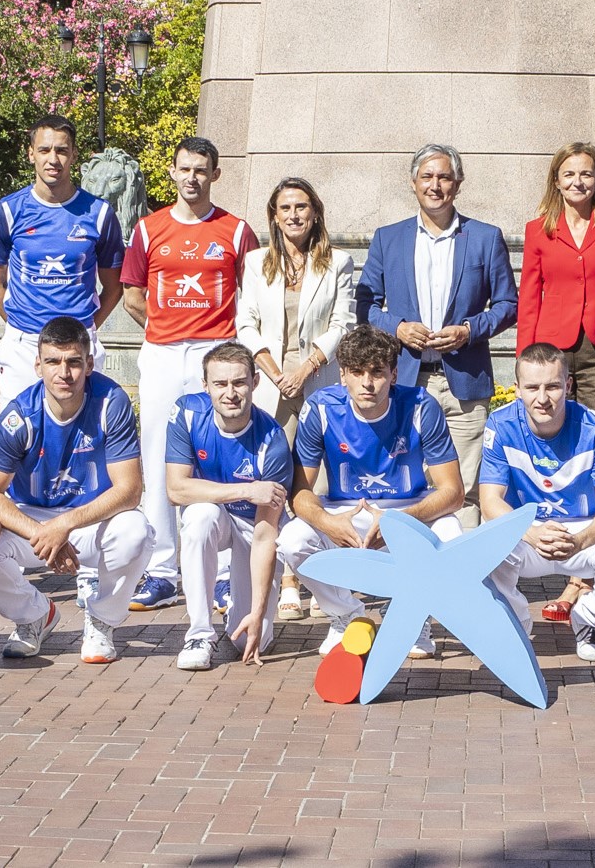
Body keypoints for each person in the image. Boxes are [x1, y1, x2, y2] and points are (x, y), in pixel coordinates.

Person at [0, 317, 158, 663]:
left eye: (74, 362)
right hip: (33, 519)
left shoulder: (111, 402)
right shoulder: (19, 415)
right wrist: (43, 533)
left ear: (90, 364)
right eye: (53, 361)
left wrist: (64, 525)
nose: (64, 373)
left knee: (136, 531)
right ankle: (34, 616)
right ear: (38, 366)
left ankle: (102, 621)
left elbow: (129, 490)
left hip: (91, 518)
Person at [120, 136, 259, 610]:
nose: (192, 178)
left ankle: (223, 574)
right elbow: (133, 296)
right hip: (162, 352)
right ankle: (161, 571)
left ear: (215, 174)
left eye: (201, 170)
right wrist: (166, 327)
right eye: (184, 169)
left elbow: (251, 296)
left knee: (219, 455)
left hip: (217, 352)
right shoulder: (148, 228)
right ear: (173, 172)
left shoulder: (236, 231)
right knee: (160, 454)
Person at [278, 327, 471, 647]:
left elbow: (453, 493)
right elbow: (299, 492)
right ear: (342, 375)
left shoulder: (421, 405)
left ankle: (413, 613)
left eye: (377, 372)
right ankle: (346, 615)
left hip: (409, 508)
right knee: (292, 540)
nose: (367, 383)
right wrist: (327, 522)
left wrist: (400, 521)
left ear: (394, 374)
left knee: (451, 533)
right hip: (346, 510)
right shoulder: (321, 408)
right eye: (357, 372)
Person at [477, 342, 595, 663]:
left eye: (553, 386)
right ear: (517, 389)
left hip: (582, 535)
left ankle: (591, 619)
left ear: (568, 385)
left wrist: (579, 541)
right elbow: (489, 502)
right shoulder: (500, 424)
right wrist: (532, 533)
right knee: (484, 544)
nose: (542, 398)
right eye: (532, 388)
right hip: (528, 533)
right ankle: (514, 624)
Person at [352, 143, 516, 465]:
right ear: (413, 182)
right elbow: (365, 305)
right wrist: (397, 328)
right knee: (405, 477)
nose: (435, 185)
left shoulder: (486, 237)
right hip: (404, 382)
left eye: (444, 177)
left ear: (458, 183)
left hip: (465, 387)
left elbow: (508, 304)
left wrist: (468, 331)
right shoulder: (388, 238)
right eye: (427, 176)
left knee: (464, 485)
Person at [239, 175, 351, 621]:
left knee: (317, 482)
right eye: (285, 208)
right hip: (272, 384)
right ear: (274, 215)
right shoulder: (256, 263)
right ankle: (284, 579)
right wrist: (275, 373)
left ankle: (319, 576)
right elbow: (246, 323)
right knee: (275, 480)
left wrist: (305, 370)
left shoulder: (338, 263)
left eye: (301, 207)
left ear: (315, 211)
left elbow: (342, 323)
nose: (294, 215)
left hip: (318, 380)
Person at [163, 342, 294, 670]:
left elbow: (265, 535)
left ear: (255, 383)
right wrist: (247, 490)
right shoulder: (187, 413)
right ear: (205, 385)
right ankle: (199, 633)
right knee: (199, 515)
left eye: (239, 382)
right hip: (216, 514)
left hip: (254, 526)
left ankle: (239, 608)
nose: (230, 393)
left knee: (246, 638)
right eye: (220, 384)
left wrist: (258, 612)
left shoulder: (273, 441)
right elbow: (176, 489)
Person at [0, 114, 126, 402]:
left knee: (82, 428)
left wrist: (86, 328)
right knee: (19, 427)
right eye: (44, 150)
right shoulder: (7, 211)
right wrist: (18, 323)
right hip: (24, 346)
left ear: (74, 155)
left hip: (78, 345)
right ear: (31, 154)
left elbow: (114, 286)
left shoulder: (99, 213)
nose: (53, 159)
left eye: (61, 150)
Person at [516, 141, 595, 435]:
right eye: (569, 174)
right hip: (551, 350)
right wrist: (523, 360)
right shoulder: (538, 230)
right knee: (551, 432)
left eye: (586, 174)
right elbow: (529, 300)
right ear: (556, 181)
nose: (577, 182)